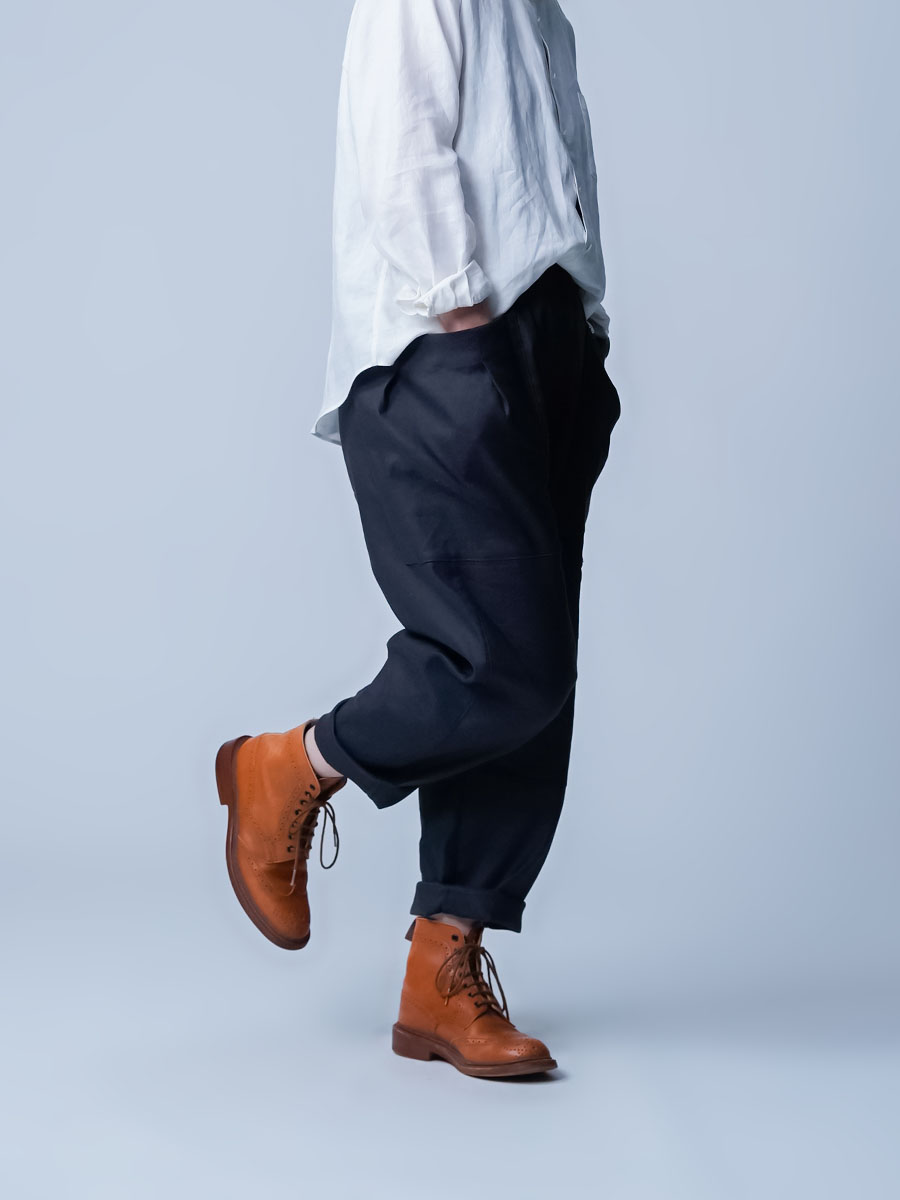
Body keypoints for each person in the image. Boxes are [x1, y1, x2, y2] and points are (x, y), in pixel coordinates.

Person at [215, 0, 620, 1079]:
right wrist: (463, 317)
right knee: (504, 662)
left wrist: (583, 323)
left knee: (540, 675)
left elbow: (546, 165)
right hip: (443, 347)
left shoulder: (540, 11)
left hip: (544, 341)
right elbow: (402, 139)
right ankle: (289, 766)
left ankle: (444, 967)